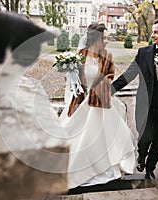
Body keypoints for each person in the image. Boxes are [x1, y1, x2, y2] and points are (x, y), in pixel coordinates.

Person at [59, 23, 136, 189]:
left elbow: (109, 77)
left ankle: (102, 168)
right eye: (104, 37)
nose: (105, 40)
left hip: (97, 103)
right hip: (80, 101)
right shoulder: (80, 55)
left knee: (98, 135)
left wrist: (98, 90)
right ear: (97, 37)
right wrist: (72, 78)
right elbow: (71, 80)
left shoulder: (107, 56)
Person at [112, 18, 158, 179]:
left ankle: (150, 168)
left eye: (156, 32)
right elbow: (129, 74)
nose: (152, 35)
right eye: (152, 31)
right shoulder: (143, 53)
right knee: (145, 137)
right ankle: (141, 155)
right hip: (146, 104)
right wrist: (110, 89)